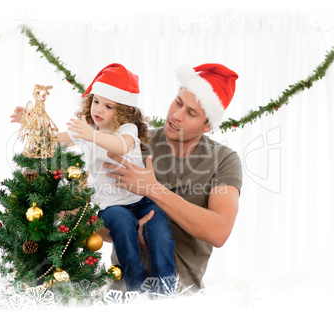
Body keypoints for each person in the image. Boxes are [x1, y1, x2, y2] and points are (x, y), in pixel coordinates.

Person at [11, 63, 176, 292]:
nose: (98, 109)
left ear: (124, 111)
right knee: (123, 228)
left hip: (141, 200)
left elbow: (120, 146)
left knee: (161, 232)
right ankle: (138, 288)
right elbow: (53, 139)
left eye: (109, 106)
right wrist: (29, 121)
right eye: (96, 101)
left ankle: (166, 291)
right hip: (110, 204)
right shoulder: (88, 128)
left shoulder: (127, 129)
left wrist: (91, 135)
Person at [103, 63, 243, 293]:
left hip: (181, 300)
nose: (176, 116)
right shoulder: (133, 142)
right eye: (178, 102)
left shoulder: (223, 160)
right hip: (122, 295)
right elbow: (95, 222)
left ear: (207, 125)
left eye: (191, 113)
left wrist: (152, 189)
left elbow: (219, 231)